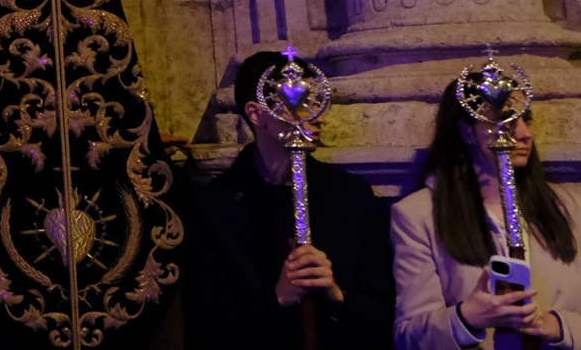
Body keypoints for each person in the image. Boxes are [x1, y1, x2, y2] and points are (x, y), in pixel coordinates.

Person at [185, 50, 394, 349]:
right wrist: (279, 298)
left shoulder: (352, 197)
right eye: (300, 101)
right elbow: (208, 328)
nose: (316, 115)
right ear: (257, 114)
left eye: (315, 101)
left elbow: (383, 313)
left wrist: (336, 296)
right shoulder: (214, 208)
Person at [392, 81, 580, 349]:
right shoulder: (419, 215)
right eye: (506, 120)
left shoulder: (571, 206)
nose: (525, 134)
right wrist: (467, 317)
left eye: (525, 119)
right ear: (467, 132)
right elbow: (408, 335)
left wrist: (557, 326)